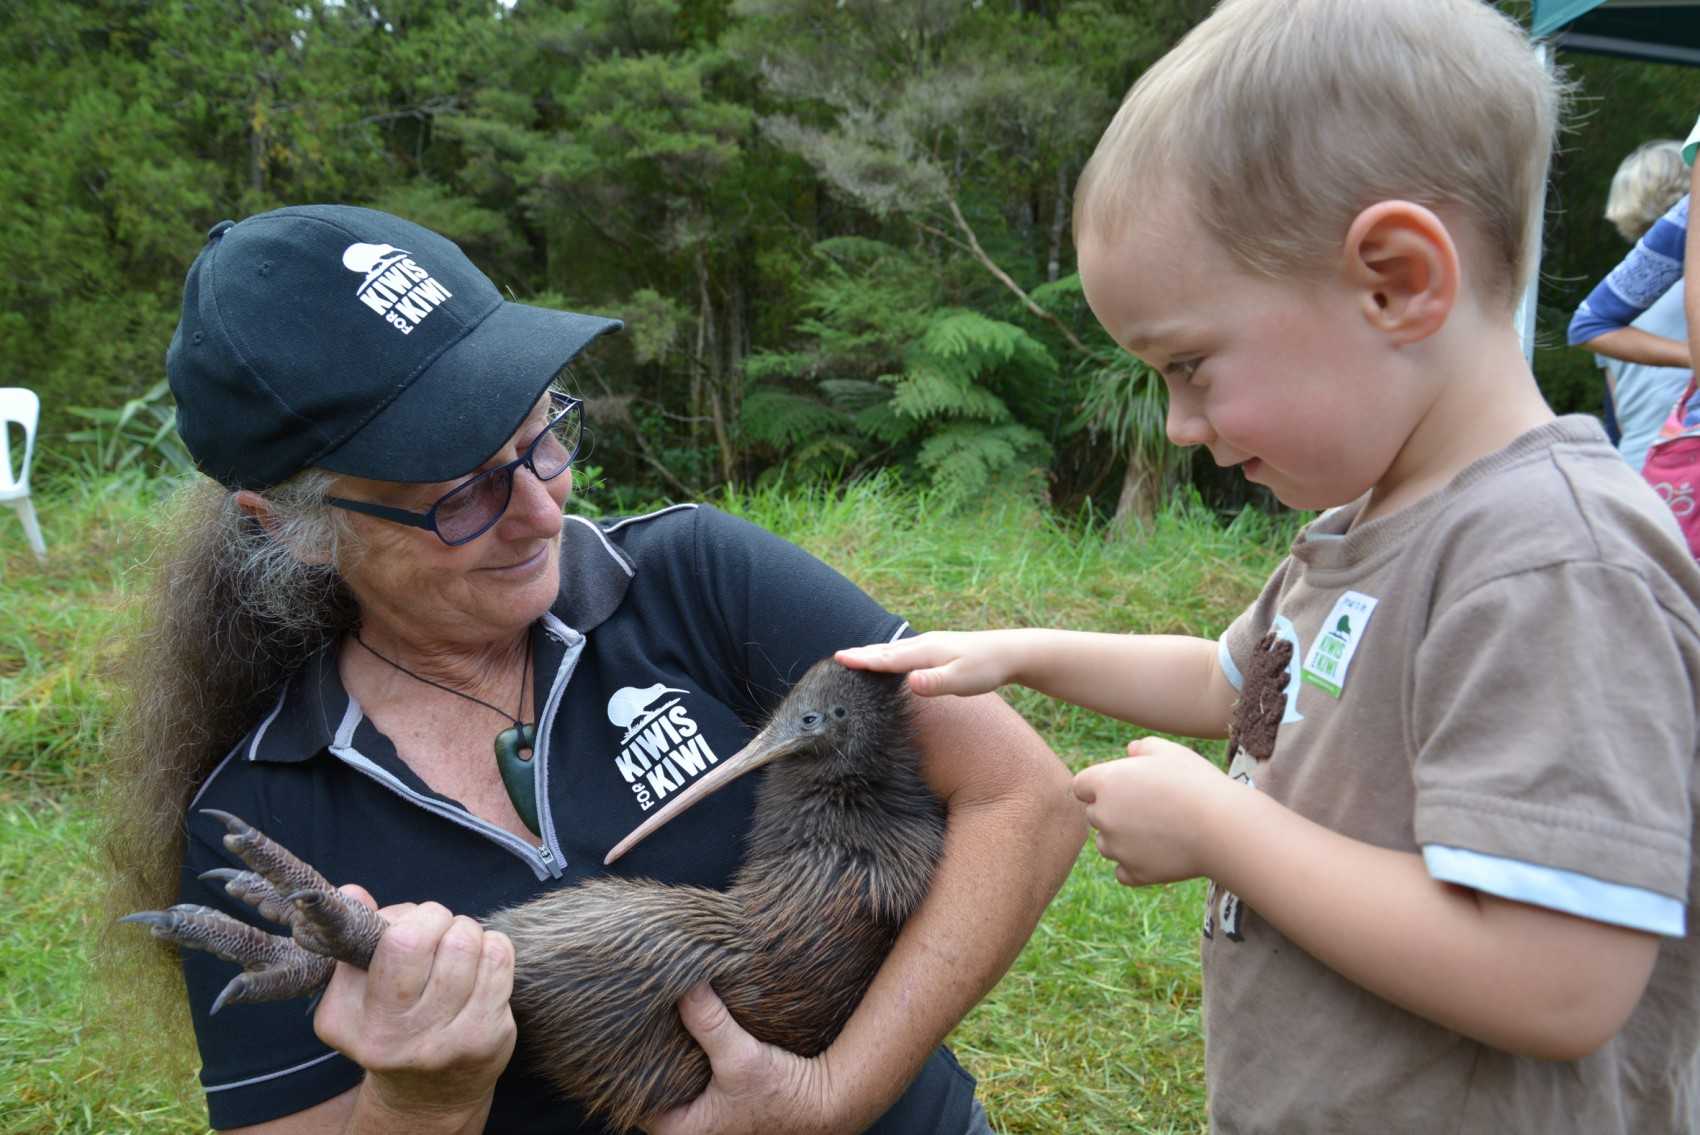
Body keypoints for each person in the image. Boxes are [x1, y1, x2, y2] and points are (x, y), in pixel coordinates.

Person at [840, 1, 1700, 1131]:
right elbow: (1227, 681)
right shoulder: (1369, 522)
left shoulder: (1545, 564)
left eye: (1190, 364)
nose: (1179, 424)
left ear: (1393, 280)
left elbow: (1559, 979)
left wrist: (1220, 830)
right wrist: (1019, 653)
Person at [103, 204, 1083, 1134]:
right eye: (463, 496)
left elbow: (1020, 794)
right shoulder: (271, 806)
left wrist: (828, 1098)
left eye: (539, 437)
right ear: (294, 529)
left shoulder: (695, 577)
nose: (542, 510)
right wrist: (421, 1100)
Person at [1568, 140, 1692, 470]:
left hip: (1637, 467)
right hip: (1687, 460)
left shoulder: (1614, 299)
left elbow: (1619, 417)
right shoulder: (1691, 279)